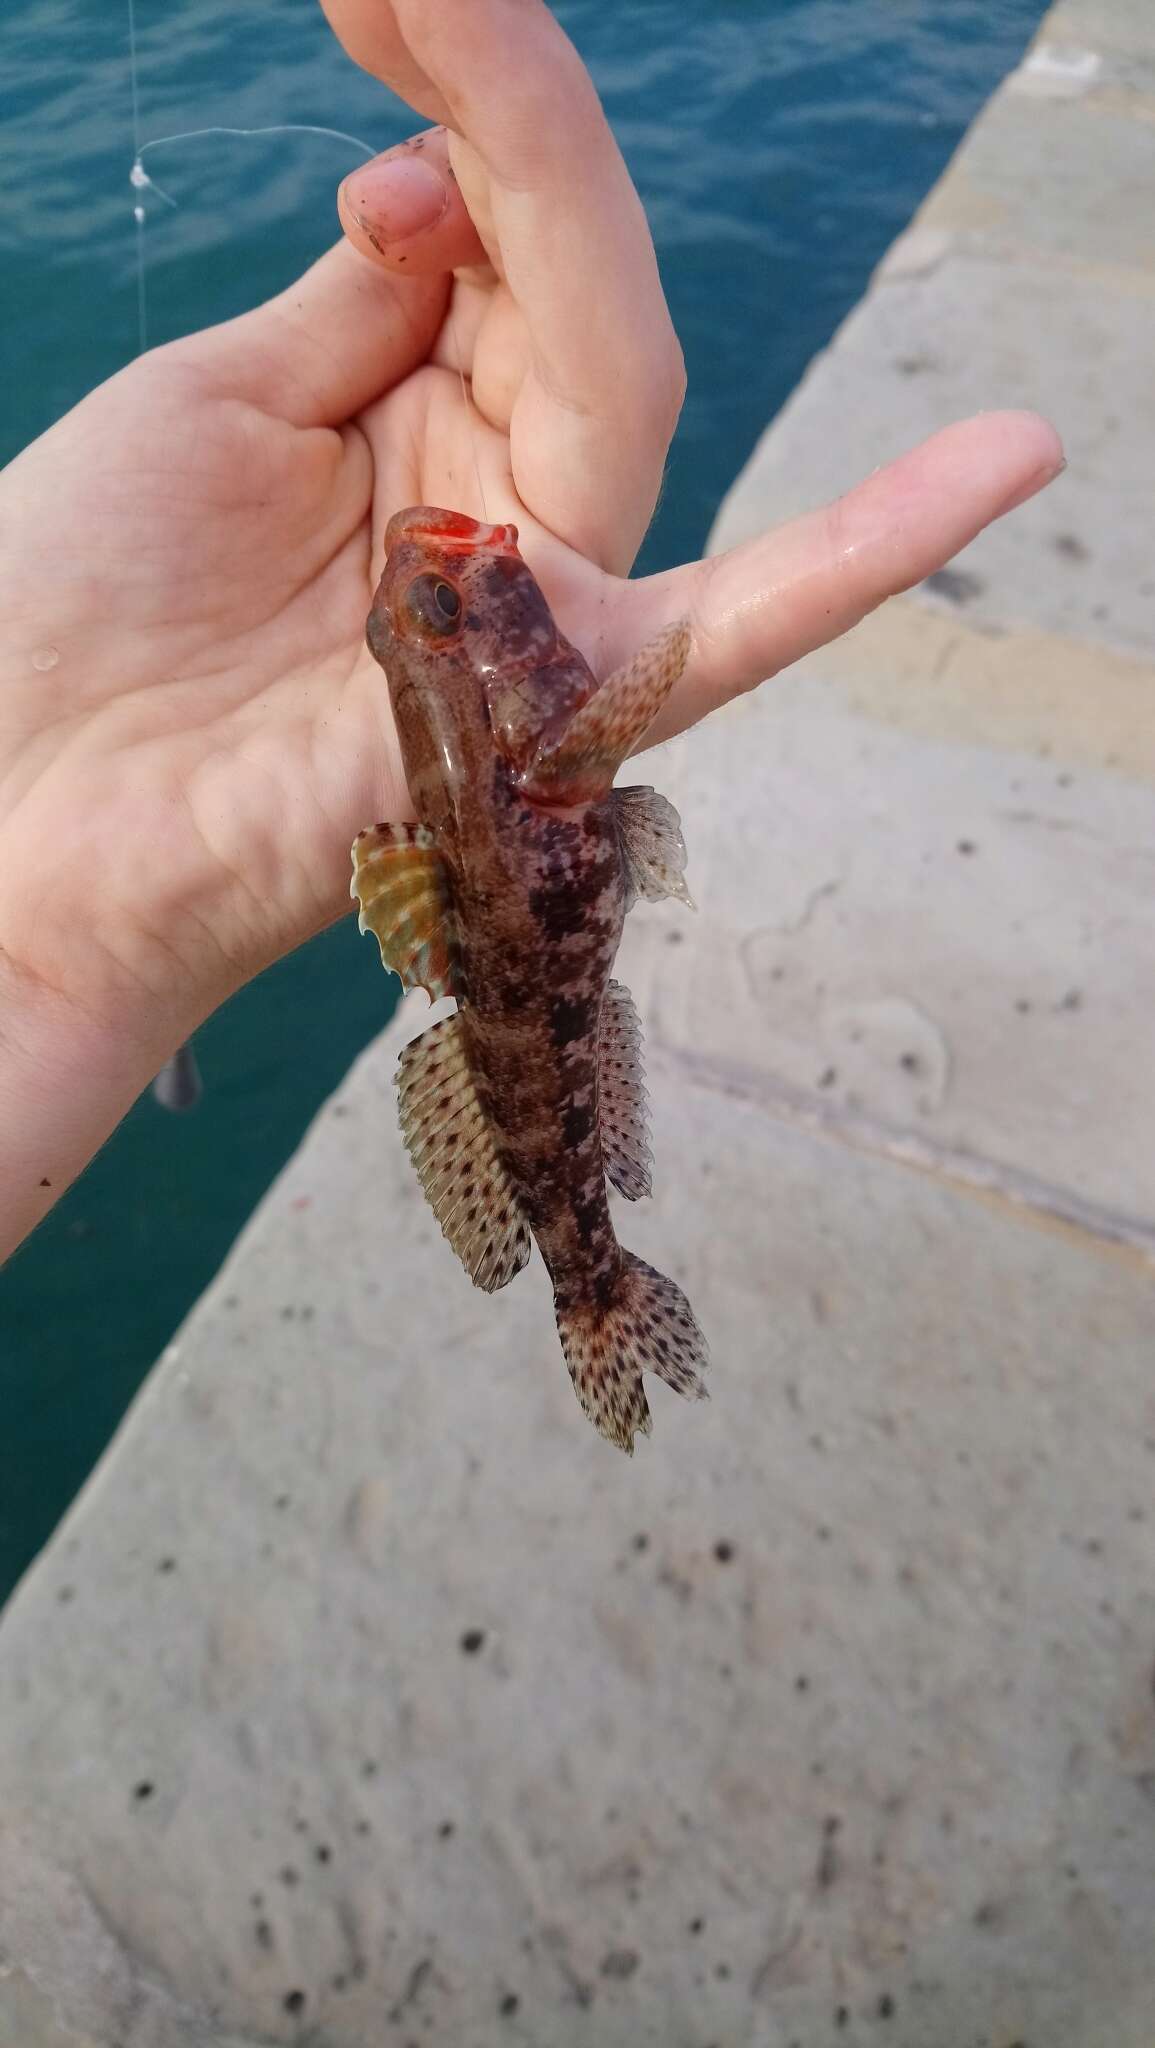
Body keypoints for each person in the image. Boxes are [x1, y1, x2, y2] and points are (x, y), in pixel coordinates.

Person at [0, 0, 1062, 1264]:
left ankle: (579, 1257)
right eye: (433, 615)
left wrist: (53, 952)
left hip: (520, 965)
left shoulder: (550, 753)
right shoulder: (559, 749)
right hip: (535, 961)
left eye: (416, 614)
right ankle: (586, 1267)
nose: (428, 573)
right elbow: (632, 704)